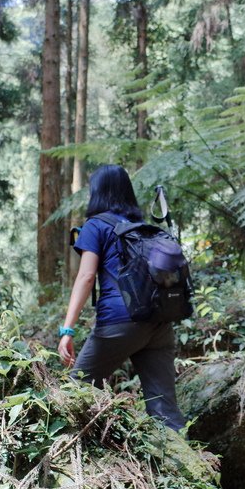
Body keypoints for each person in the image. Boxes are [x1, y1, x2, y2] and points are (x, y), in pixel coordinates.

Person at [58, 164, 187, 431]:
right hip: (159, 322)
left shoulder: (95, 226)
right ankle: (186, 469)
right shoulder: (143, 228)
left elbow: (86, 277)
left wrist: (67, 329)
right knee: (164, 408)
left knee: (75, 391)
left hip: (120, 322)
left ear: (97, 192)